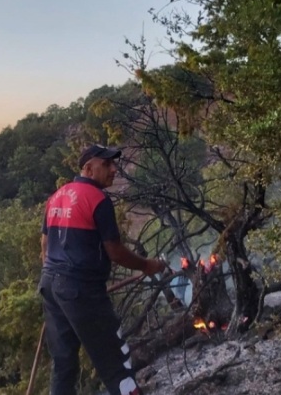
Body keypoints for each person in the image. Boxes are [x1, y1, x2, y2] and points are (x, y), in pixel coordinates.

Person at [39, 144, 166, 395]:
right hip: (79, 289)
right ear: (88, 168)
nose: (114, 169)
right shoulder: (98, 199)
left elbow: (44, 244)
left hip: (50, 285)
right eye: (107, 165)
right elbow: (115, 251)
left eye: (113, 164)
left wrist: (56, 280)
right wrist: (147, 265)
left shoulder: (57, 196)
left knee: (63, 363)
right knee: (116, 362)